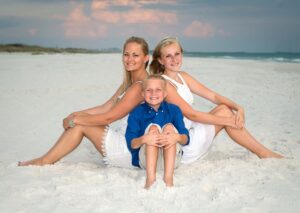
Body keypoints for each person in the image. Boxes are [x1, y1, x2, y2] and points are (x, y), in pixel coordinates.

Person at [18, 36, 150, 167]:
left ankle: (44, 160)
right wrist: (75, 114)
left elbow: (109, 117)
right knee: (79, 119)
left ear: (146, 58)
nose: (129, 59)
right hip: (126, 139)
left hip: (127, 149)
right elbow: (106, 107)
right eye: (126, 54)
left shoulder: (140, 86)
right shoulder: (129, 83)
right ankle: (46, 159)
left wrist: (75, 120)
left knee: (80, 124)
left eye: (135, 55)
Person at [150, 37, 282, 164]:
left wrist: (239, 108)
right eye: (168, 56)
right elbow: (192, 114)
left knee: (224, 108)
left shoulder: (183, 76)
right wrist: (229, 121)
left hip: (191, 130)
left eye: (177, 54)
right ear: (161, 60)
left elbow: (213, 96)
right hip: (183, 144)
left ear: (182, 54)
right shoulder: (163, 84)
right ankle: (264, 153)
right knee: (225, 113)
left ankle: (263, 152)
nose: (174, 59)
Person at [125, 75, 189, 188]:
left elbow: (185, 139)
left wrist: (176, 137)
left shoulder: (174, 110)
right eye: (149, 90)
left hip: (171, 161)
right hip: (146, 161)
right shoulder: (136, 112)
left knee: (169, 126)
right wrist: (145, 139)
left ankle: (168, 178)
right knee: (153, 128)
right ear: (143, 94)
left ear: (165, 94)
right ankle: (150, 179)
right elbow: (132, 144)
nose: (153, 94)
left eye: (158, 90)